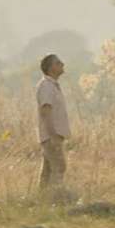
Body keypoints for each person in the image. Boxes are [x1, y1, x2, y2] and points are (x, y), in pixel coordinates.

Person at [36, 54, 70, 191]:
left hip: (53, 135)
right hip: (51, 136)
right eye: (58, 62)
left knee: (48, 170)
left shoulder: (52, 85)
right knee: (59, 167)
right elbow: (45, 111)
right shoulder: (46, 86)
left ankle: (41, 199)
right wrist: (53, 135)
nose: (62, 64)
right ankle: (56, 197)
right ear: (51, 68)